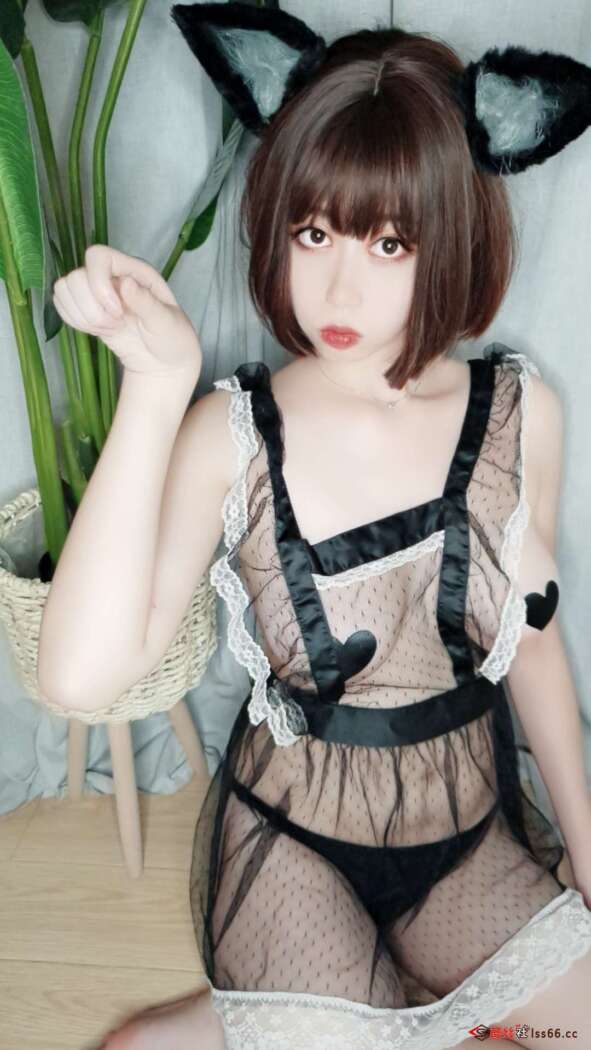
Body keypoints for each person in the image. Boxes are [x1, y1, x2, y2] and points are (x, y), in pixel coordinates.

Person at [39, 9, 591, 1050]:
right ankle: (252, 1013)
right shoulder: (234, 433)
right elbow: (77, 678)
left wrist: (587, 849)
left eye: (388, 242)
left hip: (464, 834)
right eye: (315, 233)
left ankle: (272, 1017)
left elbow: (535, 643)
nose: (340, 286)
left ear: (452, 236)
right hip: (295, 844)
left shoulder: (521, 414)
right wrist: (155, 385)